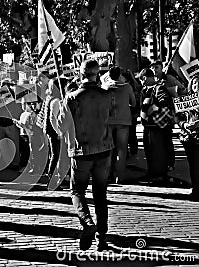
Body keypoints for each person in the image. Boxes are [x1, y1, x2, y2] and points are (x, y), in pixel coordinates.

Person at [65, 59, 114, 251]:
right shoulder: (107, 95)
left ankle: (87, 223)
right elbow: (111, 116)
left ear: (81, 73)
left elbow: (61, 125)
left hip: (82, 150)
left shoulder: (72, 97)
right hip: (103, 148)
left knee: (77, 191)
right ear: (97, 73)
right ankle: (102, 238)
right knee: (100, 194)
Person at [139, 68, 174, 183]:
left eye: (141, 79)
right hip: (149, 127)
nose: (141, 82)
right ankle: (153, 172)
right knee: (150, 151)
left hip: (157, 127)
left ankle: (159, 174)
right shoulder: (146, 89)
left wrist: (154, 108)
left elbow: (165, 101)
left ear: (145, 77)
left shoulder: (159, 88)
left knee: (158, 151)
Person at [103, 66, 136, 183]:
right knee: (122, 149)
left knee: (109, 149)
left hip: (109, 121)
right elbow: (134, 102)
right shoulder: (127, 87)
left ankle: (107, 174)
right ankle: (120, 176)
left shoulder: (105, 87)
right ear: (120, 75)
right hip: (123, 121)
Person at [175, 76, 199, 202]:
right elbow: (177, 118)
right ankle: (196, 190)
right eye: (195, 84)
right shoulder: (185, 101)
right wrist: (184, 125)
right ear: (191, 86)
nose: (197, 87)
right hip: (189, 138)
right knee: (194, 165)